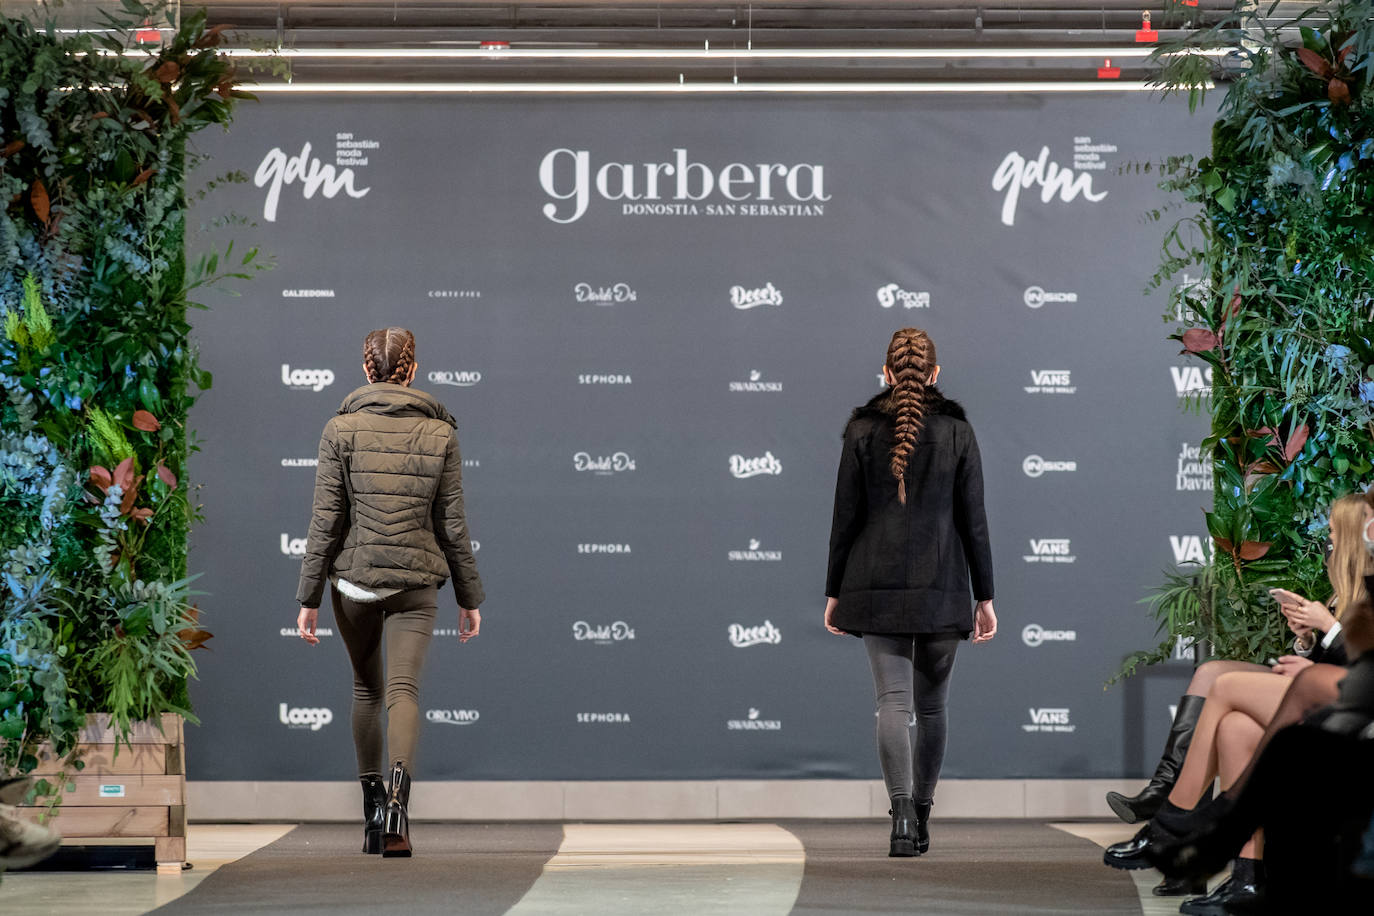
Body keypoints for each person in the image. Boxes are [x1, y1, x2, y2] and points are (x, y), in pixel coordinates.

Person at [1104, 493, 1372, 911]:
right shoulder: (1345, 591)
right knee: (1229, 715)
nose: (1329, 543)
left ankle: (1171, 821)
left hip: (1356, 716)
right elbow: (1334, 662)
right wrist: (1305, 642)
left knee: (1225, 686)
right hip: (1323, 697)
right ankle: (1245, 878)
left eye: (1336, 535)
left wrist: (1330, 630)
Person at [295, 327, 484, 858]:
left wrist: (309, 595)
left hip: (353, 582)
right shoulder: (441, 434)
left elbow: (326, 523)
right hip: (416, 584)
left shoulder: (339, 429)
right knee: (404, 693)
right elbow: (452, 527)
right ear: (413, 371)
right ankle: (401, 805)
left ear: (365, 370)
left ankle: (372, 812)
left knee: (366, 692)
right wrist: (470, 596)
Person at [823, 327, 996, 858]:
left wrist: (834, 591)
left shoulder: (860, 432)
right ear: (935, 375)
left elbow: (844, 519)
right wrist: (984, 596)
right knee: (933, 709)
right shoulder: (957, 432)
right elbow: (975, 522)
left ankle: (898, 816)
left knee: (892, 705)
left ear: (888, 373)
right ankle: (921, 814)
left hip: (872, 586)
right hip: (943, 585)